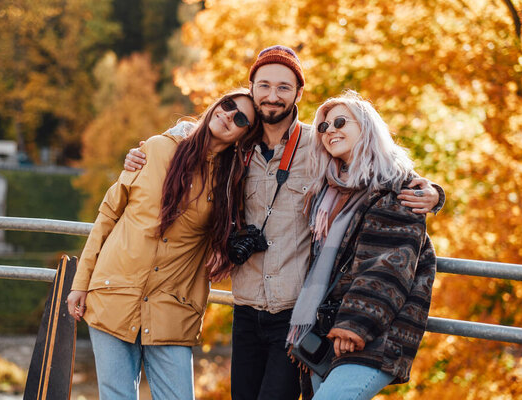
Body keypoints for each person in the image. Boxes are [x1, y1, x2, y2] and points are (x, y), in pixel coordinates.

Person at [124, 45, 444, 400]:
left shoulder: (320, 144)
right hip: (244, 305)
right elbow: (193, 134)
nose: (272, 96)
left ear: (298, 93)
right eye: (264, 86)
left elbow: (381, 171)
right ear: (252, 88)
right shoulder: (235, 143)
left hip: (294, 312)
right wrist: (144, 152)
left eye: (283, 87)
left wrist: (432, 192)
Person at [66, 89, 259, 400]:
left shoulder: (231, 183)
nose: (228, 115)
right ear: (216, 105)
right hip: (114, 292)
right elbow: (108, 215)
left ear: (244, 135)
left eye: (240, 118)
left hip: (173, 307)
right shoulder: (155, 149)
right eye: (227, 105)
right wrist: (81, 282)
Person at [287, 90, 437, 400]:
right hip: (326, 329)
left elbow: (390, 265)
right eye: (324, 127)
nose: (331, 131)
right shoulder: (326, 192)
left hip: (371, 334)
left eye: (340, 121)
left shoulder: (396, 187)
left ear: (367, 127)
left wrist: (354, 325)